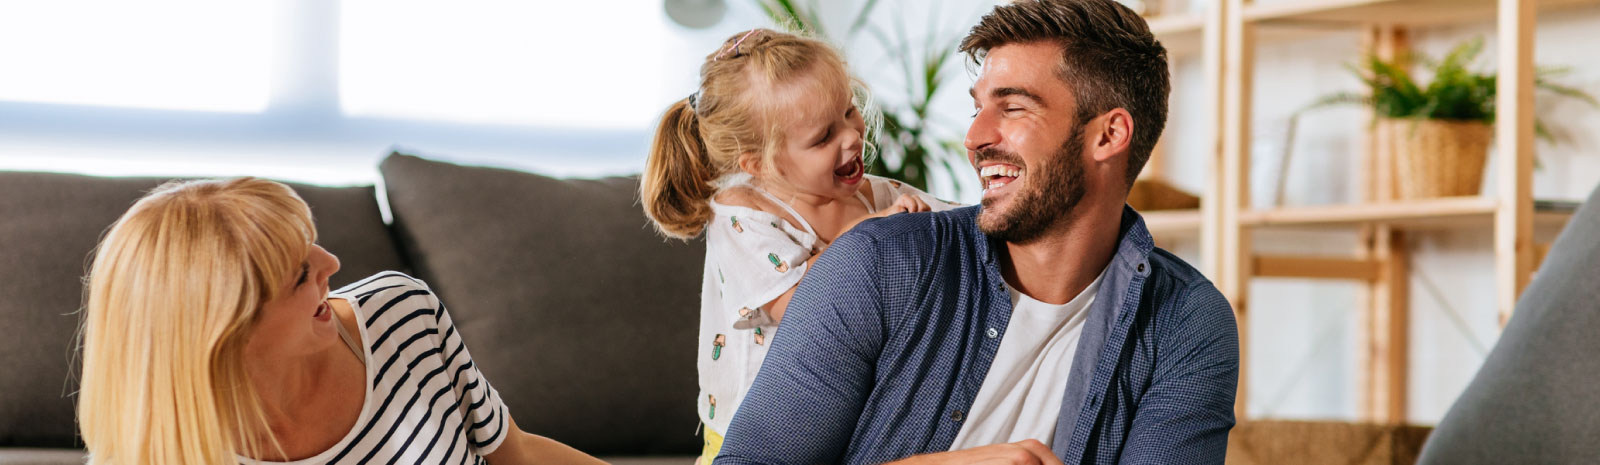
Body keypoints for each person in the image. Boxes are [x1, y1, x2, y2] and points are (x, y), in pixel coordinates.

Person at [714, 1, 1239, 464]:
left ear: (1109, 134)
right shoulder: (875, 264)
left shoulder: (1186, 325)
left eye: (1012, 107)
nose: (974, 137)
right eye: (977, 107)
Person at [77, 177, 604, 465]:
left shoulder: (401, 314)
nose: (332, 264)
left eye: (313, 240)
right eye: (301, 274)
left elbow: (517, 455)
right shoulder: (152, 455)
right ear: (227, 331)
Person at [639, 28, 959, 462]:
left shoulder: (875, 195)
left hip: (842, 425)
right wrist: (870, 236)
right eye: (823, 137)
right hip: (753, 441)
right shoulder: (741, 215)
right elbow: (802, 306)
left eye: (849, 111)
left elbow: (965, 229)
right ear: (758, 163)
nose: (851, 136)